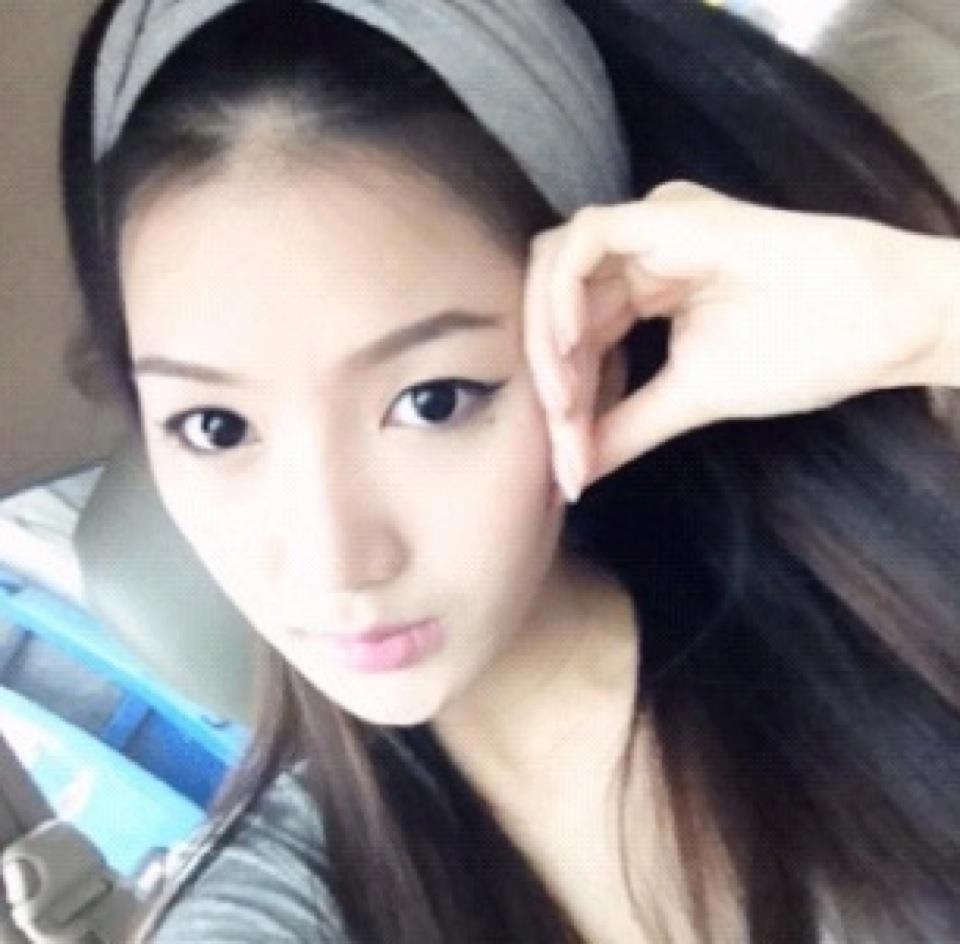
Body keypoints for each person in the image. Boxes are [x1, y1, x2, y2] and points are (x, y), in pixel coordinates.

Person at [58, 0, 960, 941]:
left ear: (596, 352)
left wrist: (928, 314)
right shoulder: (275, 904)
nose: (336, 562)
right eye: (214, 427)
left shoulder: (899, 624)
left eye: (433, 401)